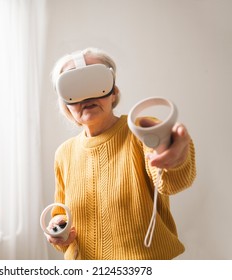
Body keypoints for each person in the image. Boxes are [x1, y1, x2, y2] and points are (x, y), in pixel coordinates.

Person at [45, 47, 196, 260]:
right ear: (65, 104)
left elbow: (172, 182)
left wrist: (175, 157)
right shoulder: (64, 153)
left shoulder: (141, 130)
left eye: (96, 82)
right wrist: (60, 233)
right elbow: (62, 215)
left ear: (113, 91)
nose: (87, 95)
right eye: (74, 88)